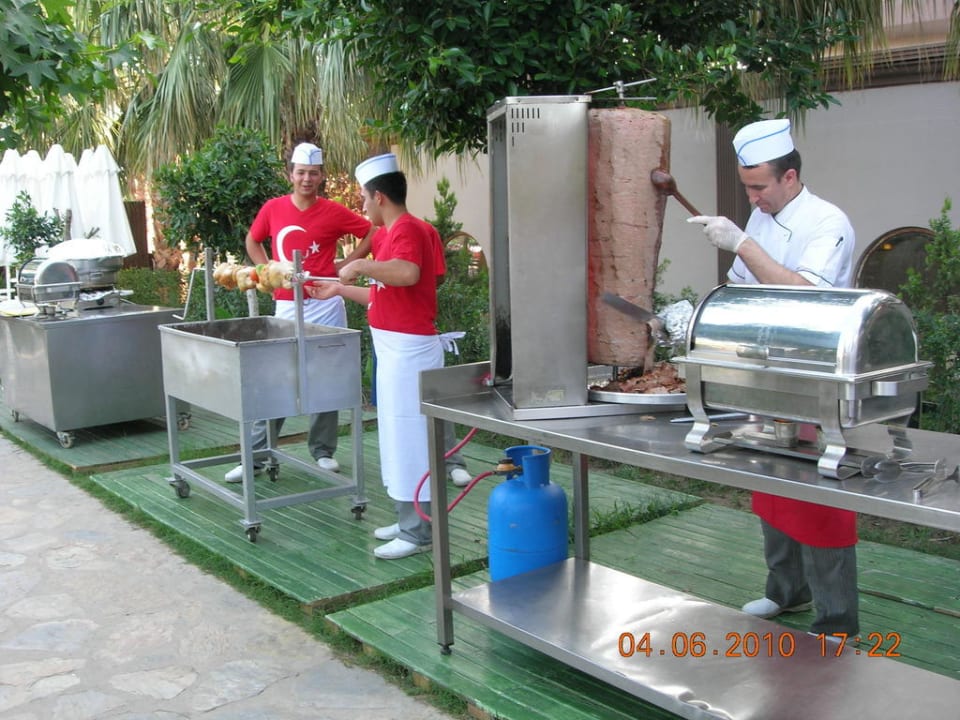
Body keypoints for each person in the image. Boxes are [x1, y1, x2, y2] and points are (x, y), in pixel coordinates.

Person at [688, 118, 859, 637]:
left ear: (789, 176)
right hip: (766, 371)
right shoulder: (761, 217)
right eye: (746, 188)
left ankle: (836, 619)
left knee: (820, 497)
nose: (753, 197)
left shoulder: (827, 222)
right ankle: (786, 590)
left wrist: (741, 243)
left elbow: (806, 295)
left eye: (759, 186)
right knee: (770, 482)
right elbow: (742, 289)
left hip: (817, 374)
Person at [310, 153, 447, 559]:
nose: (362, 205)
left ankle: (418, 530)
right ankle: (408, 517)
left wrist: (361, 265)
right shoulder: (389, 233)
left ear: (380, 197)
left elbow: (407, 273)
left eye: (363, 198)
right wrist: (339, 289)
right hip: (391, 348)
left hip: (410, 351)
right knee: (395, 435)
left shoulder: (409, 229)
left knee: (411, 439)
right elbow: (382, 295)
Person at [224, 142, 375, 483]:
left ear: (321, 177)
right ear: (291, 174)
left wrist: (347, 264)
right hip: (286, 304)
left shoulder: (333, 211)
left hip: (326, 303)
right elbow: (252, 240)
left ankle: (323, 450)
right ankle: (256, 455)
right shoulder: (273, 208)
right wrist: (266, 270)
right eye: (301, 173)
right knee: (276, 376)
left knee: (327, 376)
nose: (307, 179)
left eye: (313, 173)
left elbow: (371, 232)